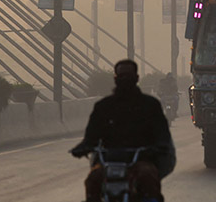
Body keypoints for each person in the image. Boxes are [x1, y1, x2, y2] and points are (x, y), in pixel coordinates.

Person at [70, 59, 176, 202]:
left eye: (128, 76)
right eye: (121, 76)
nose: (125, 79)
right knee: (93, 179)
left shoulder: (150, 105)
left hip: (140, 160)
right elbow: (91, 136)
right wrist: (83, 147)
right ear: (115, 79)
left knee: (148, 177)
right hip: (109, 162)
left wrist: (159, 147)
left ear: (136, 78)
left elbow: (162, 133)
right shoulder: (103, 107)